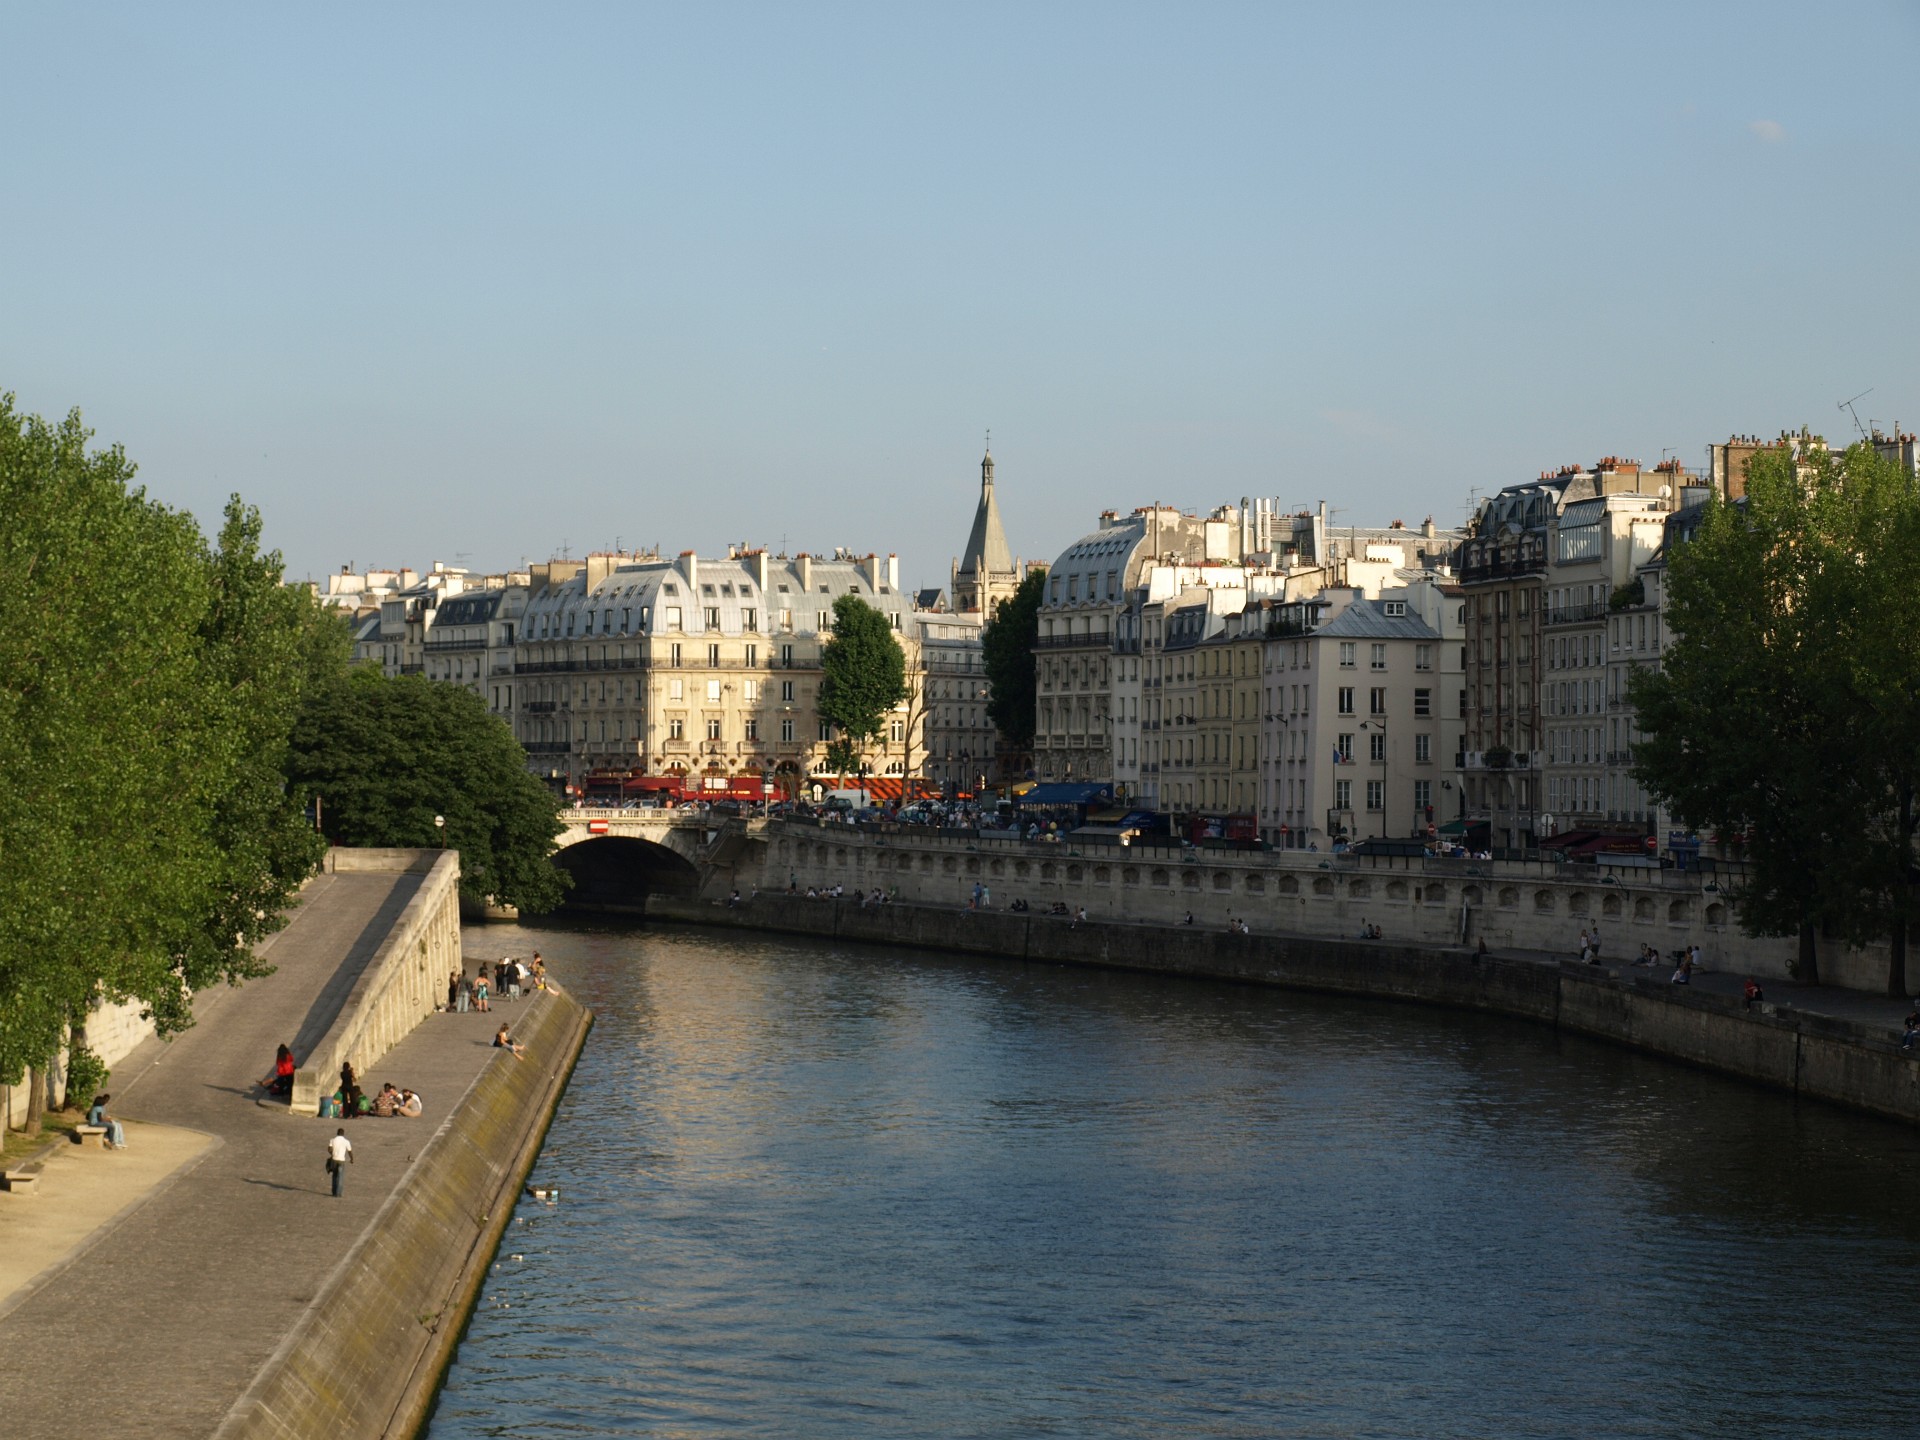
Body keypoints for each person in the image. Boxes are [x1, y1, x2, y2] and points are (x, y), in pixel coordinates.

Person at [326, 1128, 352, 1197]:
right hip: (341, 1161)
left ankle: (334, 1192)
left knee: (334, 1176)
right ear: (343, 1134)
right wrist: (352, 1159)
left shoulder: (333, 1140)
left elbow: (329, 1149)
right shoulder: (346, 1141)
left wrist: (332, 1154)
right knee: (340, 1177)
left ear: (337, 1133)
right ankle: (338, 1193)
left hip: (334, 1160)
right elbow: (349, 1151)